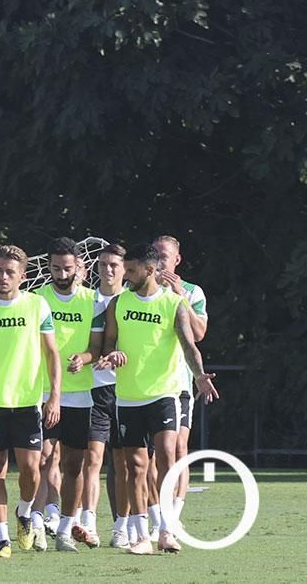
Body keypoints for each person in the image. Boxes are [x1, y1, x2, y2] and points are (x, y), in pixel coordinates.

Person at [96, 244, 217, 556]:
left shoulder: (174, 303)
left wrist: (200, 375)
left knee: (166, 455)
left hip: (165, 393)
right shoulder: (118, 304)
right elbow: (108, 345)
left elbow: (190, 346)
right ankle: (140, 536)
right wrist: (112, 356)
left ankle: (166, 530)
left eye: (131, 271)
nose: (125, 276)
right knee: (136, 467)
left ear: (149, 271)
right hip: (128, 397)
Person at [0, 245, 61, 558]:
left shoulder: (38, 306)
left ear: (23, 276)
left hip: (27, 402)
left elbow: (52, 354)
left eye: (10, 272)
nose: (3, 277)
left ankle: (23, 512)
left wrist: (54, 397)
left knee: (31, 471)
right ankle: (2, 539)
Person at [34, 238, 101, 553]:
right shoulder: (37, 300)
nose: (62, 274)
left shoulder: (93, 301)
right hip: (42, 392)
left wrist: (83, 358)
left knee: (74, 465)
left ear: (79, 268)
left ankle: (64, 530)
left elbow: (97, 347)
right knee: (41, 458)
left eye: (68, 268)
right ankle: (34, 521)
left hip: (79, 396)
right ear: (49, 267)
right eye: (56, 268)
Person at [75, 243, 128, 549]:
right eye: (103, 264)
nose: (108, 270)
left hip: (127, 391)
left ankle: (123, 526)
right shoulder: (88, 300)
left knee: (123, 463)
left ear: (124, 269)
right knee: (91, 458)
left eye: (114, 265)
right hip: (92, 388)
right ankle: (88, 521)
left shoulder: (131, 301)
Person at [153, 235, 208, 530]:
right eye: (156, 256)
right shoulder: (140, 290)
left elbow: (199, 334)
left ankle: (174, 514)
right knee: (150, 455)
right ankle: (155, 515)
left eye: (164, 256)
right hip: (146, 384)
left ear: (177, 260)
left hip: (180, 383)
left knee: (178, 449)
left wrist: (180, 298)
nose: (160, 262)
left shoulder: (192, 291)